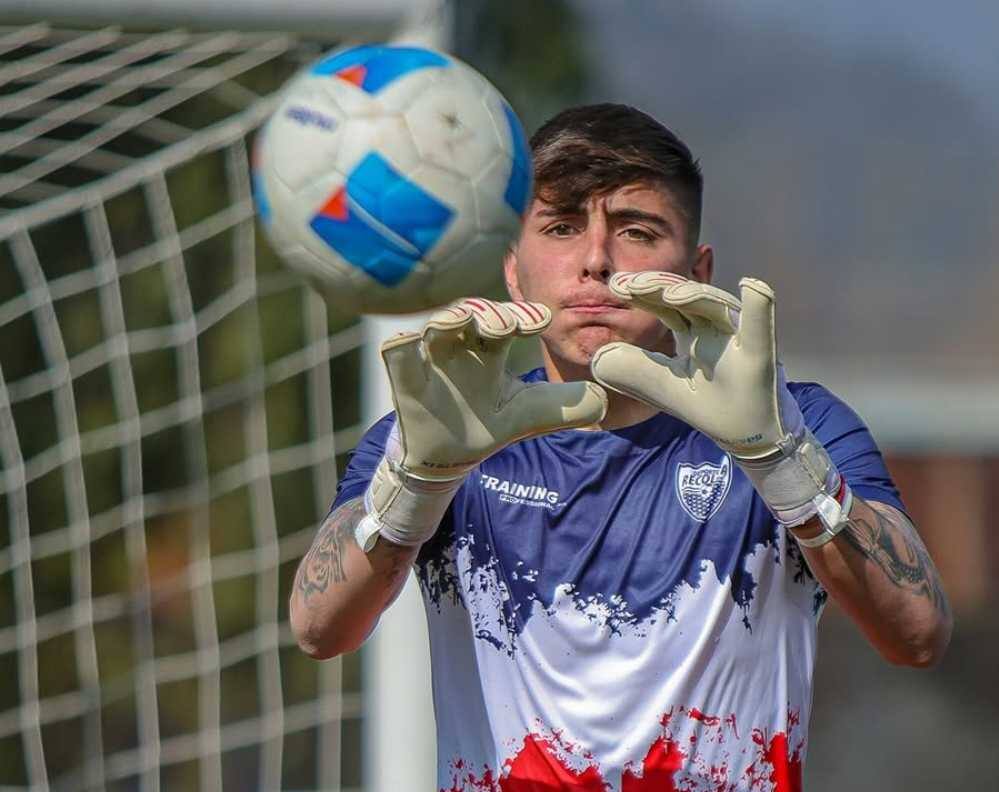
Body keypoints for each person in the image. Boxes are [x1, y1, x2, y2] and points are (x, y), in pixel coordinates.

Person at [289, 103, 952, 790]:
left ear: (696, 270)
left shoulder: (796, 423)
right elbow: (317, 629)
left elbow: (918, 634)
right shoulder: (438, 436)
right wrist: (416, 484)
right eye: (561, 226)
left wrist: (783, 464)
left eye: (637, 231)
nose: (596, 260)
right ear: (513, 268)